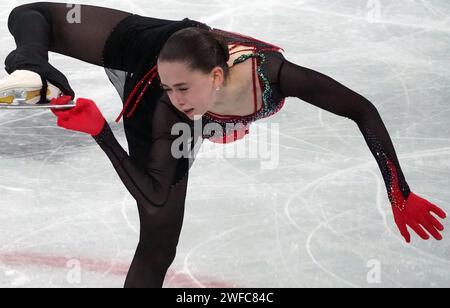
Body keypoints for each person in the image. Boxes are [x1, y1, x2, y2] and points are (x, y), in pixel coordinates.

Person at [2, 2, 446, 288]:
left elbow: (361, 109)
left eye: (182, 91)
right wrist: (99, 127)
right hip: (159, 53)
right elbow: (154, 195)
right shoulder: (167, 106)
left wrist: (398, 192)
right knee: (158, 238)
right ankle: (29, 67)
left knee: (162, 240)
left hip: (187, 51)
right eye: (170, 91)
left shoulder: (273, 74)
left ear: (217, 76)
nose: (176, 101)